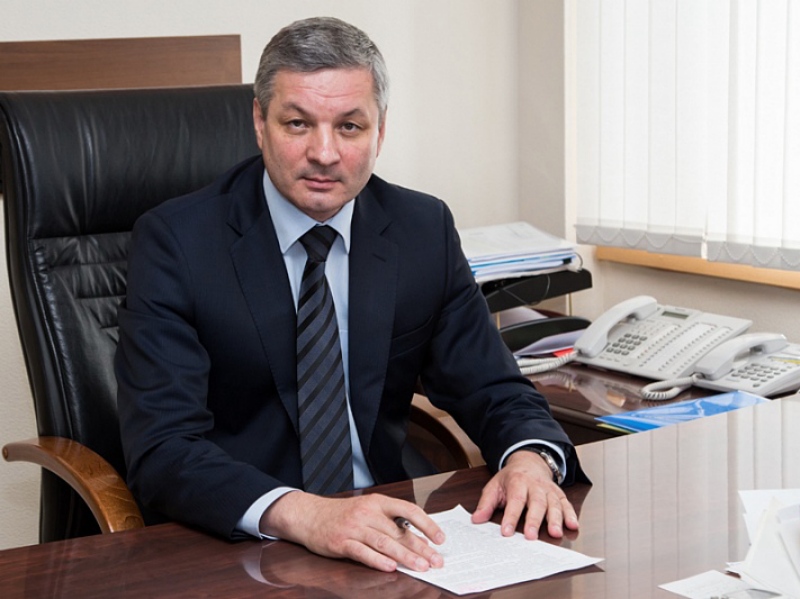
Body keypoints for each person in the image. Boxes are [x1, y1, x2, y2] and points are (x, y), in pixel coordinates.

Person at [116, 16, 587, 574]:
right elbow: (163, 448)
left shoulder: (421, 229)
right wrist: (307, 515)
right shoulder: (177, 241)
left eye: (349, 127)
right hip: (241, 547)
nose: (324, 152)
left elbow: (492, 387)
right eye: (298, 124)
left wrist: (530, 459)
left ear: (379, 132)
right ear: (260, 123)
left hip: (386, 539)